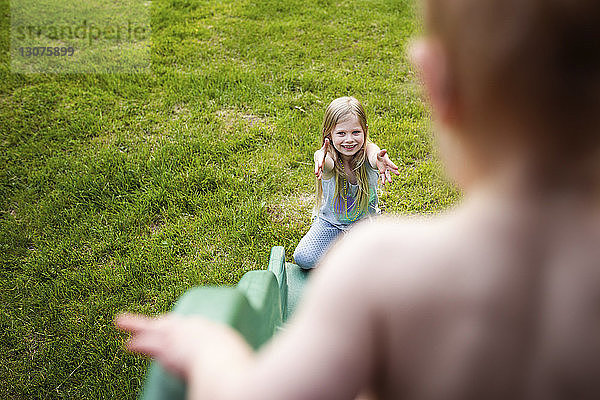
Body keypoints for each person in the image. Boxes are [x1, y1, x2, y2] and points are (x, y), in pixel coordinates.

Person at [115, 0, 600, 398]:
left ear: (434, 81)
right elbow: (337, 152)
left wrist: (210, 350)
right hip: (333, 222)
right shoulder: (328, 163)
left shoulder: (378, 265)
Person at [292, 96, 399, 269]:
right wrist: (320, 157)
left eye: (355, 132)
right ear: (329, 134)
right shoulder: (329, 160)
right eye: (341, 133)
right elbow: (326, 163)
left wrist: (379, 158)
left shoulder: (369, 154)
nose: (349, 139)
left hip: (363, 224)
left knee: (374, 266)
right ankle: (338, 249)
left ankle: (344, 249)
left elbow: (373, 153)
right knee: (304, 258)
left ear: (364, 131)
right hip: (330, 222)